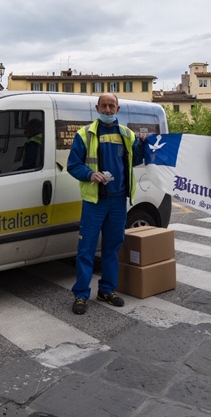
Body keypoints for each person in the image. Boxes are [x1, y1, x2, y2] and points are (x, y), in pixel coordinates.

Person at [68, 93, 146, 314]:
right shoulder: (85, 134)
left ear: (118, 109)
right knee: (86, 250)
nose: (108, 110)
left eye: (112, 106)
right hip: (95, 202)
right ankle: (81, 295)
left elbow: (136, 159)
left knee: (112, 248)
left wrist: (141, 145)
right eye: (104, 106)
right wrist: (90, 174)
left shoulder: (126, 134)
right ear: (97, 108)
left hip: (118, 201)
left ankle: (106, 290)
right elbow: (73, 165)